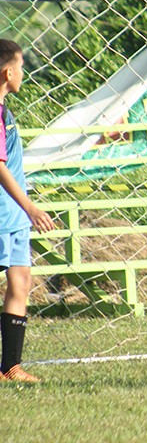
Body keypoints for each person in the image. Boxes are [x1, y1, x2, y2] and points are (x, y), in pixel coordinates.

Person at [0, 40, 55, 383]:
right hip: (4, 214)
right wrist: (30, 206)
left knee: (20, 282)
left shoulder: (6, 110)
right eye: (21, 67)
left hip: (14, 218)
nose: (24, 74)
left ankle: (10, 366)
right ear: (8, 72)